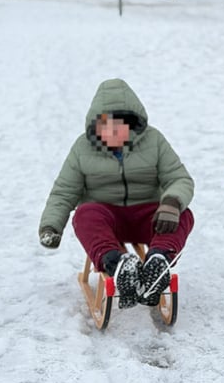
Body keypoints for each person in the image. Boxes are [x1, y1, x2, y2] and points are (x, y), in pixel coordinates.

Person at [39, 78, 195, 309]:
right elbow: (64, 191)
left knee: (183, 213)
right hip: (106, 219)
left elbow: (179, 178)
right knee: (84, 214)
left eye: (118, 125)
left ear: (131, 123)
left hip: (148, 216)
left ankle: (158, 260)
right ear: (95, 125)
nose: (111, 131)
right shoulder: (82, 148)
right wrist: (51, 226)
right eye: (104, 125)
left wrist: (171, 203)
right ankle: (117, 264)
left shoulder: (154, 140)